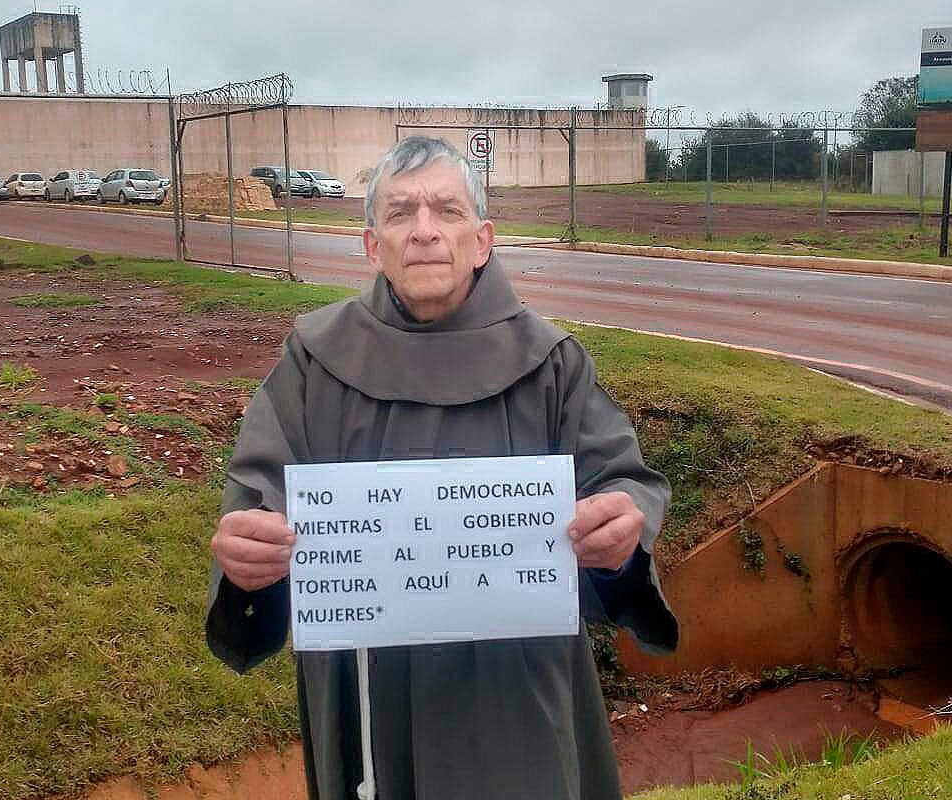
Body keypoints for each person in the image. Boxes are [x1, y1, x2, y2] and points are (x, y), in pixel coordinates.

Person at [206, 136, 678, 799]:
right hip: (365, 686)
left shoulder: (552, 364)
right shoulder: (315, 360)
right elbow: (259, 493)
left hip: (518, 691)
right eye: (400, 213)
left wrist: (623, 529)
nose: (424, 231)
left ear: (482, 239)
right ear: (373, 246)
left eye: (446, 210)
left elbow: (625, 482)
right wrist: (248, 552)